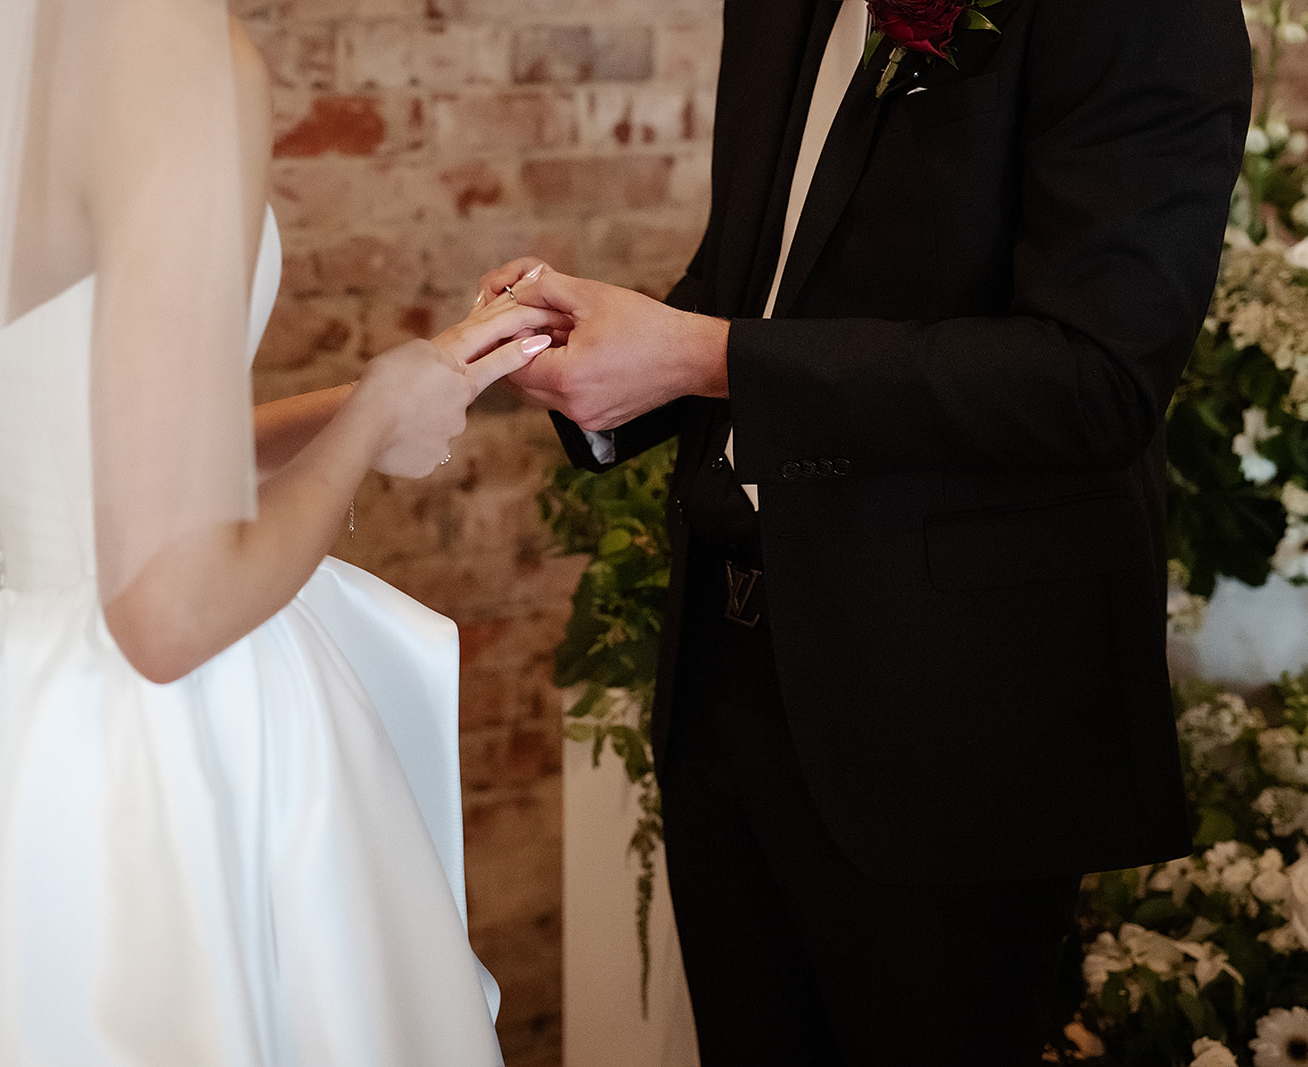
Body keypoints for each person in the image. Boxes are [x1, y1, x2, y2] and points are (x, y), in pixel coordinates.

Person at [0, 0, 561, 1063]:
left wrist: (364, 401)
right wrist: (375, 421)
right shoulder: (169, 46)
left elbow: (91, 442)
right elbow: (169, 614)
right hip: (144, 763)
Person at [483, 0, 1252, 1062]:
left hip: (951, 715)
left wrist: (703, 356)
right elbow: (755, 282)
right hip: (723, 678)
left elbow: (1094, 380)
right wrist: (598, 352)